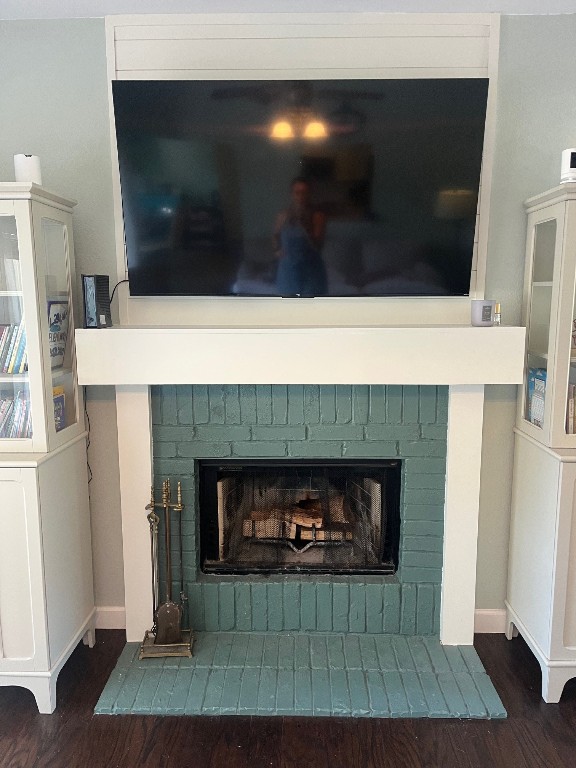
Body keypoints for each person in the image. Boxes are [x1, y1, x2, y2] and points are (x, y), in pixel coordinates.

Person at [273, 177, 327, 296]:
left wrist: (306, 226)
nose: (301, 196)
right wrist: (277, 250)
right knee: (288, 309)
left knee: (312, 310)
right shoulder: (283, 216)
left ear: (309, 194)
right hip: (287, 270)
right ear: (292, 194)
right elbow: (276, 235)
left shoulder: (317, 216)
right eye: (297, 193)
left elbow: (318, 246)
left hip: (311, 270)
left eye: (305, 193)